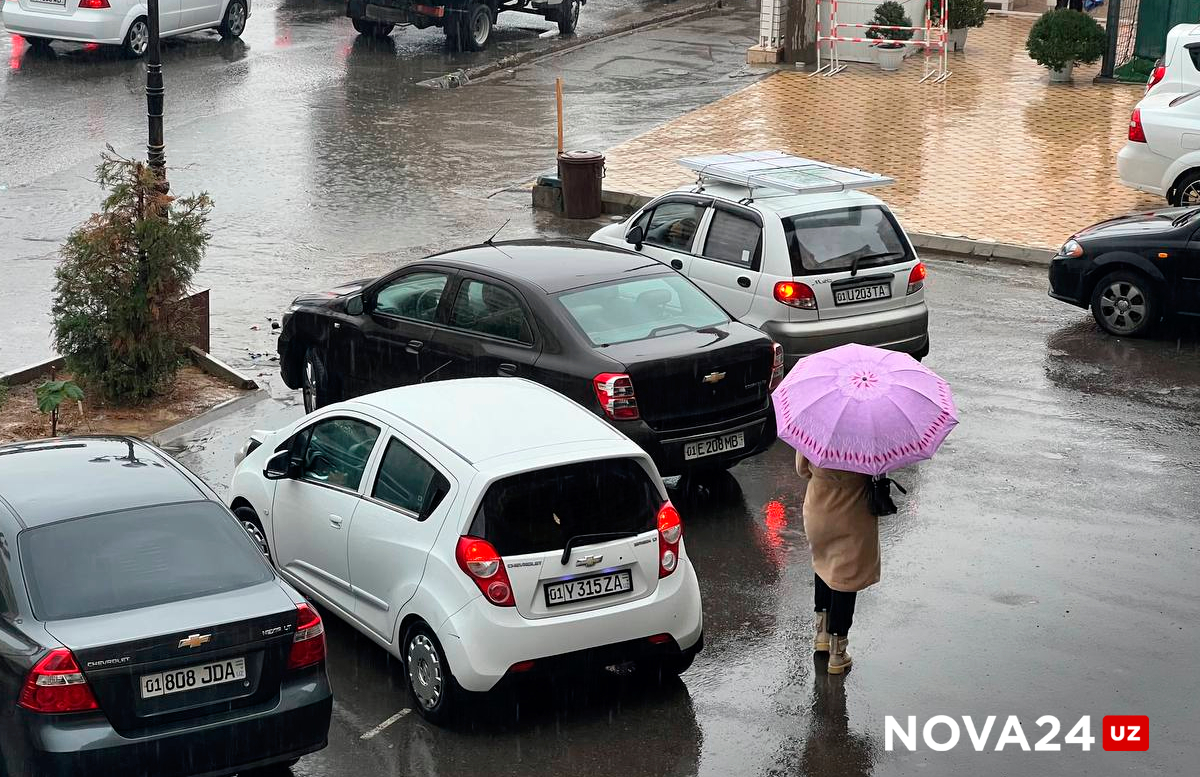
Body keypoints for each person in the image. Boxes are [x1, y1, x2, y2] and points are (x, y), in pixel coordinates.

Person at [796, 450, 880, 674]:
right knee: (845, 578)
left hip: (818, 512)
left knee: (823, 565)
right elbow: (878, 473)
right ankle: (838, 651)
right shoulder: (869, 439)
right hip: (852, 515)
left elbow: (802, 470)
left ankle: (821, 634)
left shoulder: (818, 430)